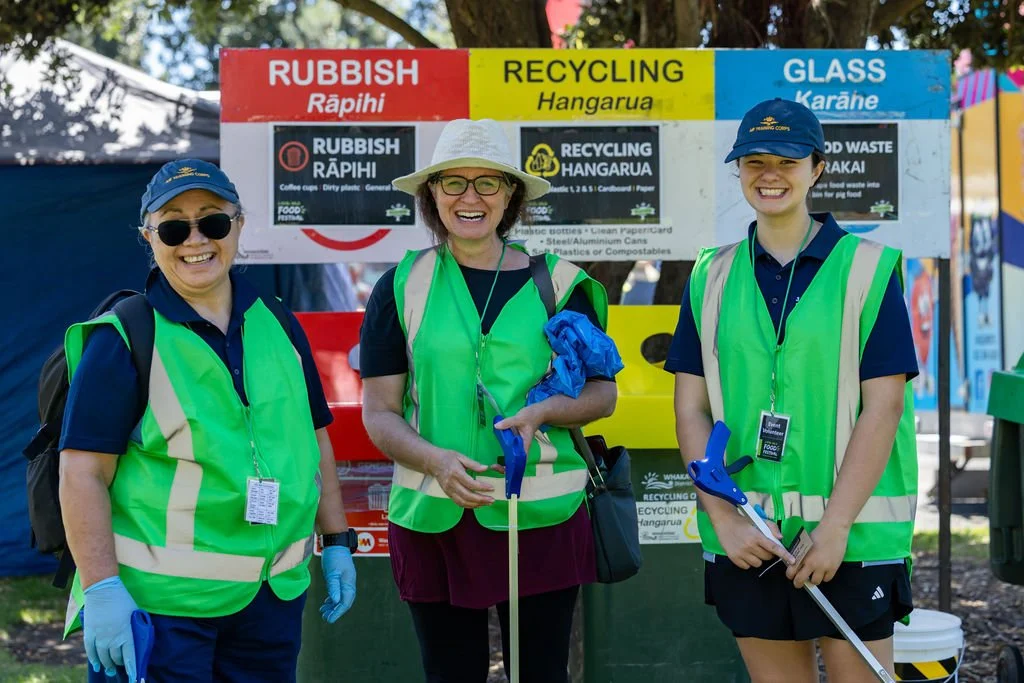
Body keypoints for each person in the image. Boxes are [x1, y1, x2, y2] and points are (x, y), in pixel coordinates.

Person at [59, 159, 357, 682]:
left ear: (239, 225)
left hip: (270, 603)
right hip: (161, 610)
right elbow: (82, 473)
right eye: (174, 226)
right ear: (149, 238)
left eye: (213, 221)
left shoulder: (279, 322)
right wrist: (102, 587)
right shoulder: (122, 338)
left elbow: (314, 438)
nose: (195, 239)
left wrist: (337, 541)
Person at [668, 99, 919, 683]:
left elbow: (884, 407)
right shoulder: (710, 274)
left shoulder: (869, 268)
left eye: (786, 159)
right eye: (753, 160)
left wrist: (833, 529)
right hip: (750, 535)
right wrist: (723, 518)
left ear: (817, 168)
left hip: (851, 538)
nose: (769, 174)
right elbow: (691, 408)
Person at [360, 119, 617, 683]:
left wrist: (546, 411)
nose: (470, 197)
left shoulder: (561, 283)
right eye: (453, 183)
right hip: (434, 514)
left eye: (488, 183)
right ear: (432, 194)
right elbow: (378, 410)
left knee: (540, 674)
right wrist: (434, 460)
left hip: (542, 514)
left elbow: (603, 393)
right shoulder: (400, 286)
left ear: (512, 196)